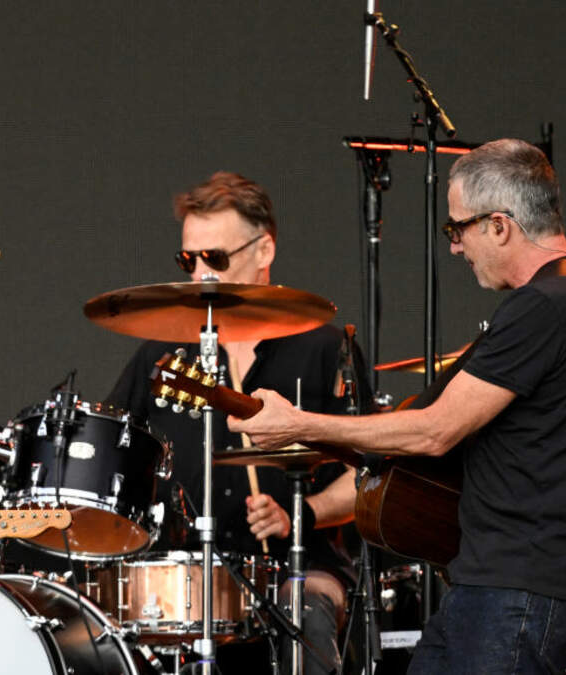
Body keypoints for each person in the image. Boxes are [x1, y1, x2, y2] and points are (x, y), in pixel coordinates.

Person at [230, 139, 566, 674]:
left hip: (519, 591)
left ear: (499, 225)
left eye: (457, 228)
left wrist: (298, 423)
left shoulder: (546, 305)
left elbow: (435, 432)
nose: (456, 248)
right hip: (506, 587)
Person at [106, 171, 371, 674]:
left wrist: (301, 513)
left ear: (264, 249)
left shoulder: (325, 348)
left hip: (298, 566)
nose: (200, 274)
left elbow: (368, 477)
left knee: (303, 608)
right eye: (189, 260)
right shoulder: (162, 355)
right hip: (182, 573)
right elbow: (107, 450)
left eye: (215, 258)